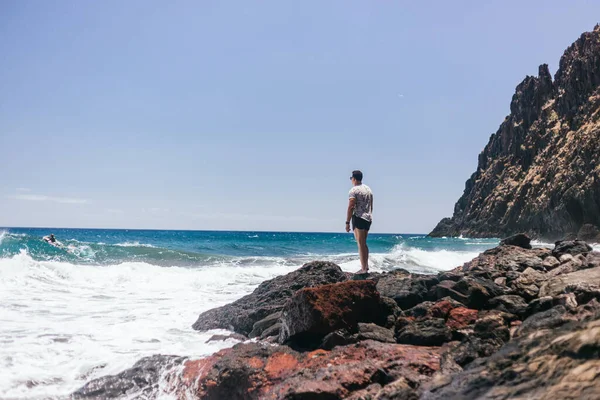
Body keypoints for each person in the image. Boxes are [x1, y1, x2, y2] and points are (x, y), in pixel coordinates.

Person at [345, 170, 373, 273]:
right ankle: (366, 266)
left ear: (354, 178)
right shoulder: (368, 189)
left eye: (351, 179)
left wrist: (347, 222)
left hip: (358, 217)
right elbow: (371, 205)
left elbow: (351, 206)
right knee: (363, 243)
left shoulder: (353, 190)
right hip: (368, 217)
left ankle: (363, 268)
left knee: (360, 243)